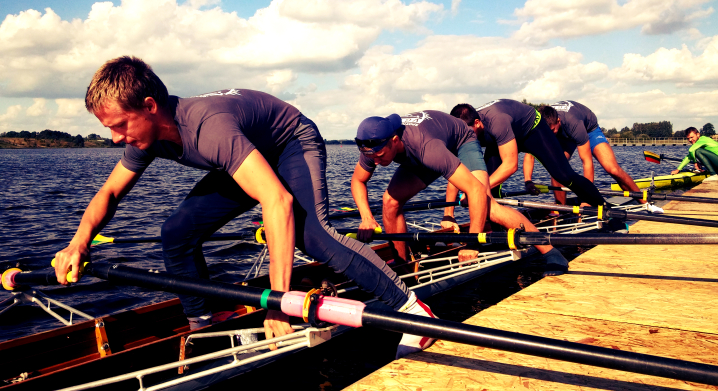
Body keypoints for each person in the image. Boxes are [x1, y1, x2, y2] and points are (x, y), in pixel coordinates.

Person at [53, 56, 434, 359]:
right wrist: (78, 243)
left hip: (289, 144)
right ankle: (206, 323)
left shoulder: (209, 128)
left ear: (150, 106)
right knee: (176, 233)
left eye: (120, 125)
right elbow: (109, 194)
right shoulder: (144, 139)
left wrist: (279, 304)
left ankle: (415, 312)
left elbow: (277, 200)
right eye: (109, 131)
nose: (117, 137)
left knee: (313, 236)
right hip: (241, 159)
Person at [351, 111, 570, 277]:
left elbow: (474, 188)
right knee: (390, 202)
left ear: (394, 140)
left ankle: (551, 252)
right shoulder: (371, 147)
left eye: (380, 155)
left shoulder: (429, 149)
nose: (376, 162)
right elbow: (358, 181)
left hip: (460, 142)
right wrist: (367, 218)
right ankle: (403, 268)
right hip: (425, 149)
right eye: (373, 158)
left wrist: (472, 243)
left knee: (487, 205)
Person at [450, 100, 606, 207]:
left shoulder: (497, 122)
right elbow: (455, 169)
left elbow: (511, 166)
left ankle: (603, 207)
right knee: (490, 182)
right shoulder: (464, 131)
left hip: (532, 130)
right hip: (504, 135)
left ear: (477, 123)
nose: (464, 136)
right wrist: (448, 214)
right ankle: (495, 228)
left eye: (467, 131)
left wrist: (477, 189)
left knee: (564, 175)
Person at [523, 101, 647, 204]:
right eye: (548, 131)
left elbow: (587, 162)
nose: (550, 134)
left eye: (552, 130)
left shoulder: (573, 123)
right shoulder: (538, 125)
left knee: (612, 169)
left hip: (588, 129)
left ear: (558, 121)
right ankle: (561, 208)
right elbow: (530, 155)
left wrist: (587, 200)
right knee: (557, 169)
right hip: (564, 134)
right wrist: (528, 181)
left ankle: (644, 202)